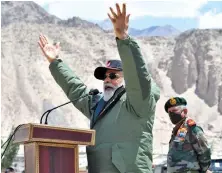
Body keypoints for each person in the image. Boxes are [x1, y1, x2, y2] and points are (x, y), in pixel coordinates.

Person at [38, 3, 160, 173]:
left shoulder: (138, 102)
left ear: (126, 80)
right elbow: (76, 89)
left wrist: (123, 39)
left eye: (113, 76)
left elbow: (138, 76)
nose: (107, 80)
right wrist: (55, 62)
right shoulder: (98, 104)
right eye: (104, 76)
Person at [164, 97, 211, 173]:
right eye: (169, 112)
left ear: (184, 111)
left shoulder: (192, 129)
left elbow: (204, 152)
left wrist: (203, 170)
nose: (171, 114)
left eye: (174, 111)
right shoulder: (176, 132)